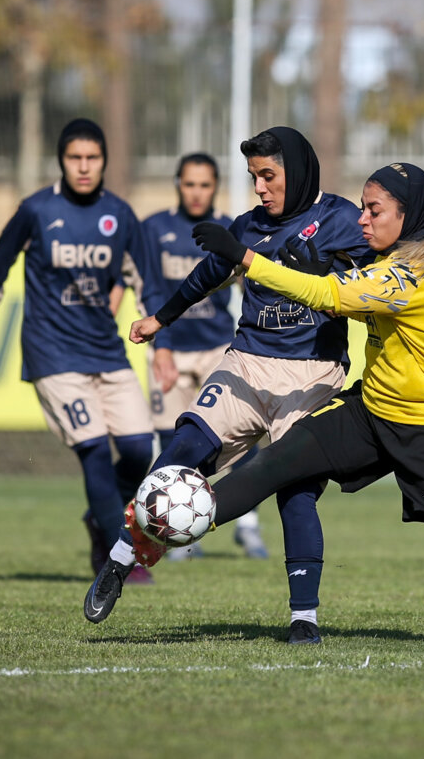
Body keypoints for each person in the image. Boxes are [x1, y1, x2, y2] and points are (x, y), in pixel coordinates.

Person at [86, 161, 424, 650]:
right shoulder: (391, 261)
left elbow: (329, 296)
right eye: (363, 208)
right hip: (368, 412)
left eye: (375, 211)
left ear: (408, 217)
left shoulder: (410, 277)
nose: (362, 220)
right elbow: (341, 280)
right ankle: (160, 535)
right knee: (271, 466)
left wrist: (248, 259)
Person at [117, 127, 376, 644]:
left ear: (297, 172)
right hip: (248, 363)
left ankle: (304, 619)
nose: (259, 188)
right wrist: (159, 320)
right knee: (184, 446)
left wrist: (337, 278)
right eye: (254, 177)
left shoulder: (342, 220)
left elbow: (379, 280)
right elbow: (204, 277)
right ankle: (120, 558)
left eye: (268, 176)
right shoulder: (250, 225)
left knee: (295, 494)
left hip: (313, 371)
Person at [0, 117, 165, 583]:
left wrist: (163, 346)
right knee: (94, 450)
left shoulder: (120, 214)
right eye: (75, 158)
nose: (83, 167)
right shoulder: (35, 210)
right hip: (52, 354)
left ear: (104, 162)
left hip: (106, 351)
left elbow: (146, 283)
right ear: (61, 161)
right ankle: (119, 553)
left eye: (92, 158)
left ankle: (101, 516)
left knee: (140, 451)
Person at [143, 152, 267, 560]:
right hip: (170, 351)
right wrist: (159, 348)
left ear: (215, 187)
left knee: (236, 435)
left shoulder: (229, 230)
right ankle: (179, 532)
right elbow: (149, 289)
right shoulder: (154, 229)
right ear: (178, 184)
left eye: (205, 184)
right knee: (173, 441)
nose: (197, 192)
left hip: (217, 347)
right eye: (190, 183)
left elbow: (250, 286)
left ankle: (247, 524)